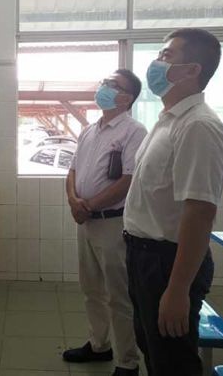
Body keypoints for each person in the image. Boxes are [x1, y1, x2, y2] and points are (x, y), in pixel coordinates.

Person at [123, 28, 223, 376]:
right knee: (153, 350)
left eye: (166, 55)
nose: (156, 62)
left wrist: (178, 289)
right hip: (144, 256)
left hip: (167, 262)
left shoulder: (199, 126)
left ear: (192, 70)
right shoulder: (169, 121)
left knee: (173, 361)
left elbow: (199, 212)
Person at [64, 69, 147, 376]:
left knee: (118, 296)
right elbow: (72, 171)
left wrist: (89, 206)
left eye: (113, 85)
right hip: (86, 222)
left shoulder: (134, 131)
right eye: (105, 82)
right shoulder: (89, 130)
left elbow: (128, 180)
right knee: (91, 289)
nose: (104, 87)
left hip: (113, 224)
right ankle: (99, 345)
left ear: (126, 98)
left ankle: (127, 362)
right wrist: (74, 201)